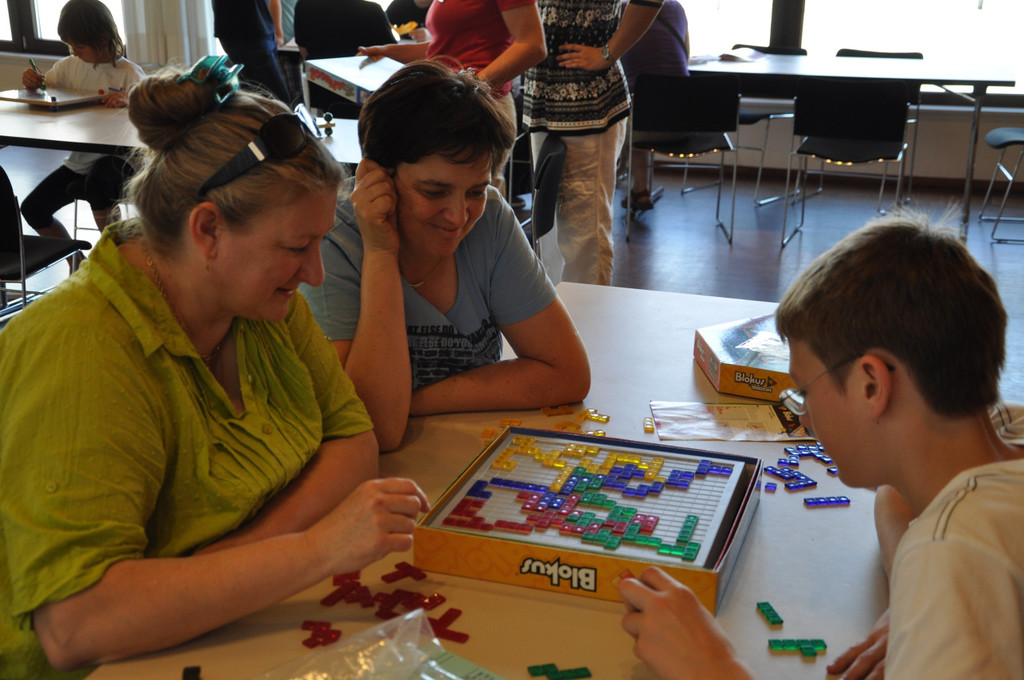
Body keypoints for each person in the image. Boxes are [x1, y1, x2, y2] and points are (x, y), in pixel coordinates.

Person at [0, 57, 429, 679]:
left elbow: (353, 438)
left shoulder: (260, 304)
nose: (314, 274)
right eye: (296, 247)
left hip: (226, 635)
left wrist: (239, 565)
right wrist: (313, 550)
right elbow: (76, 626)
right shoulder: (80, 347)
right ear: (207, 230)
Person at [616, 212, 1024, 679]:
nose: (802, 416)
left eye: (804, 392)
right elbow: (896, 493)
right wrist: (914, 602)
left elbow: (945, 553)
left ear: (871, 385)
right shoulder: (1001, 427)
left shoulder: (955, 562)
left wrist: (713, 667)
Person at [300, 61, 591, 452]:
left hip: (464, 455)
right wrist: (381, 252)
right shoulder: (331, 242)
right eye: (434, 192)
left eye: (475, 190)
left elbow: (567, 374)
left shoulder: (490, 217)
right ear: (375, 177)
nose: (458, 216)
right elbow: (377, 428)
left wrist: (412, 401)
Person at [523, 0, 662, 285]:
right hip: (541, 102)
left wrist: (608, 53)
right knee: (548, 228)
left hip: (589, 104)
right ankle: (557, 308)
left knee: (584, 232)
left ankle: (588, 313)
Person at [356, 0, 546, 192]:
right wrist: (389, 51)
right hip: (450, 102)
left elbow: (532, 45)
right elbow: (441, 49)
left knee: (470, 193)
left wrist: (470, 89)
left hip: (478, 107)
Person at [19, 0, 146, 242]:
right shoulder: (68, 68)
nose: (75, 52)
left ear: (103, 38)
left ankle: (115, 255)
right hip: (81, 160)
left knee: (97, 184)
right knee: (33, 208)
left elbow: (152, 113)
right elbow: (46, 93)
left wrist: (131, 100)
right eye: (70, 45)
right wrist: (33, 84)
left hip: (124, 161)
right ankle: (75, 258)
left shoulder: (129, 73)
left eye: (80, 46)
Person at [618, 0, 688, 211]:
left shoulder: (622, 11)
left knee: (631, 114)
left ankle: (638, 187)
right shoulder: (677, 8)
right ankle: (638, 187)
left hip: (643, 125)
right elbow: (686, 57)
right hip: (686, 121)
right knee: (643, 110)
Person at [212, 0, 292, 102]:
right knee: (277, 100)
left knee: (262, 97)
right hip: (246, 33)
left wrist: (278, 32)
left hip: (261, 30)